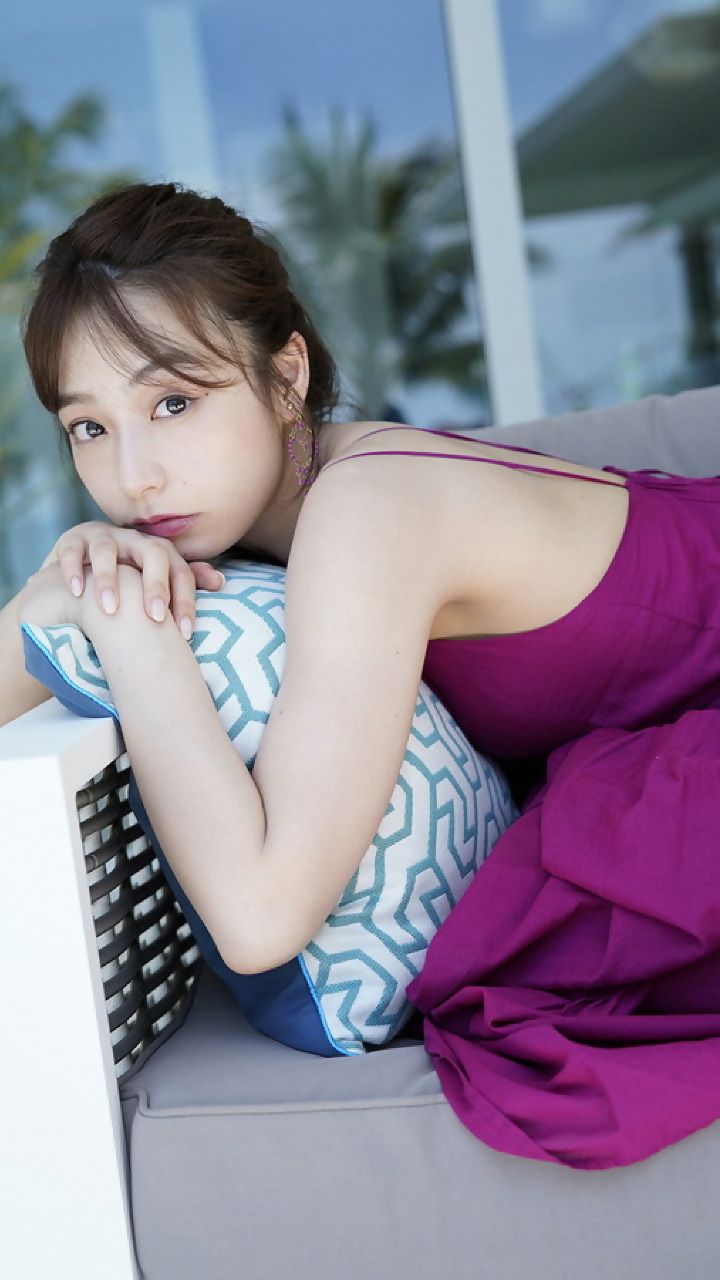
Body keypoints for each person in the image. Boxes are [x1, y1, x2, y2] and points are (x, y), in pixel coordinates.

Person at [6, 179, 720, 1170]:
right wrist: (60, 582)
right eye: (89, 426)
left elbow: (261, 919)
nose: (134, 476)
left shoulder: (364, 512)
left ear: (285, 374)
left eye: (174, 401)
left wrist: (136, 639)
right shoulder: (248, 524)